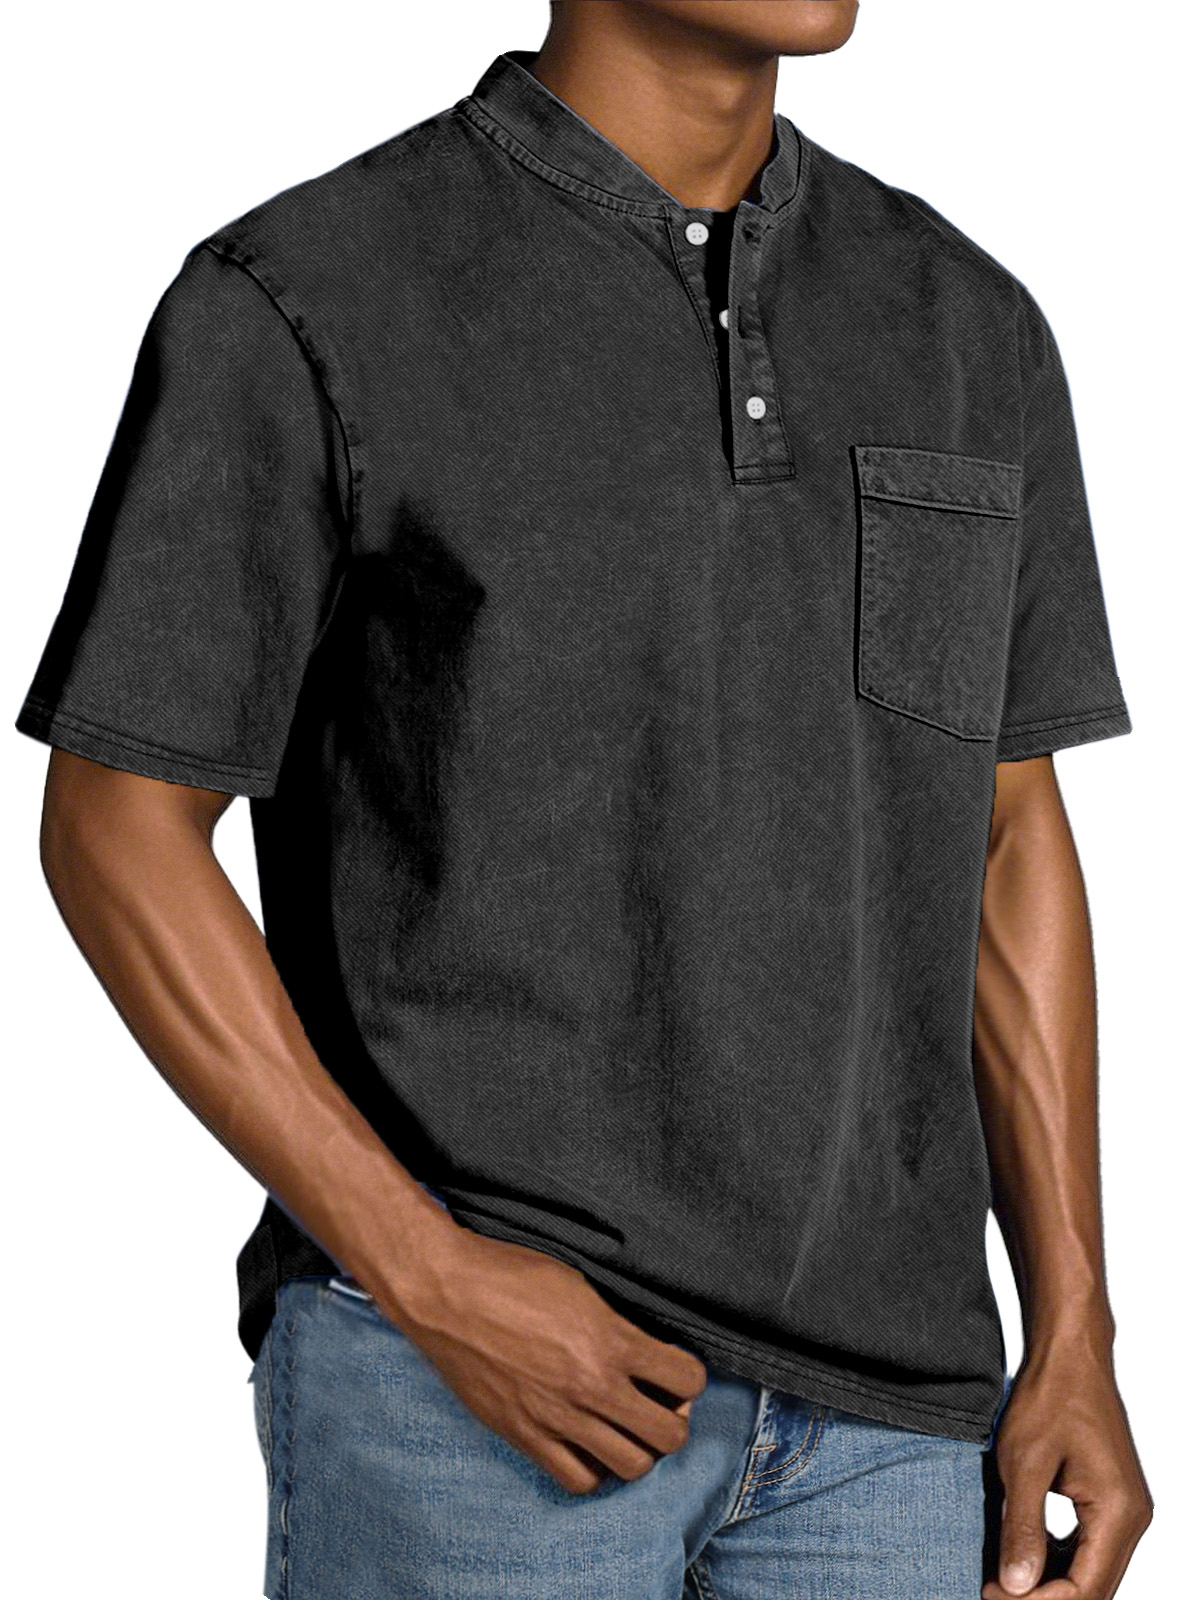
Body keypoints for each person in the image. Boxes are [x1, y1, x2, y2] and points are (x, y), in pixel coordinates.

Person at [14, 2, 1153, 1597]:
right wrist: (425, 1273)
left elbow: (1008, 829)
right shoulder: (307, 294)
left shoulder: (965, 321)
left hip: (898, 1432)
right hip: (473, 1402)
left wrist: (1077, 1330)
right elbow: (115, 827)